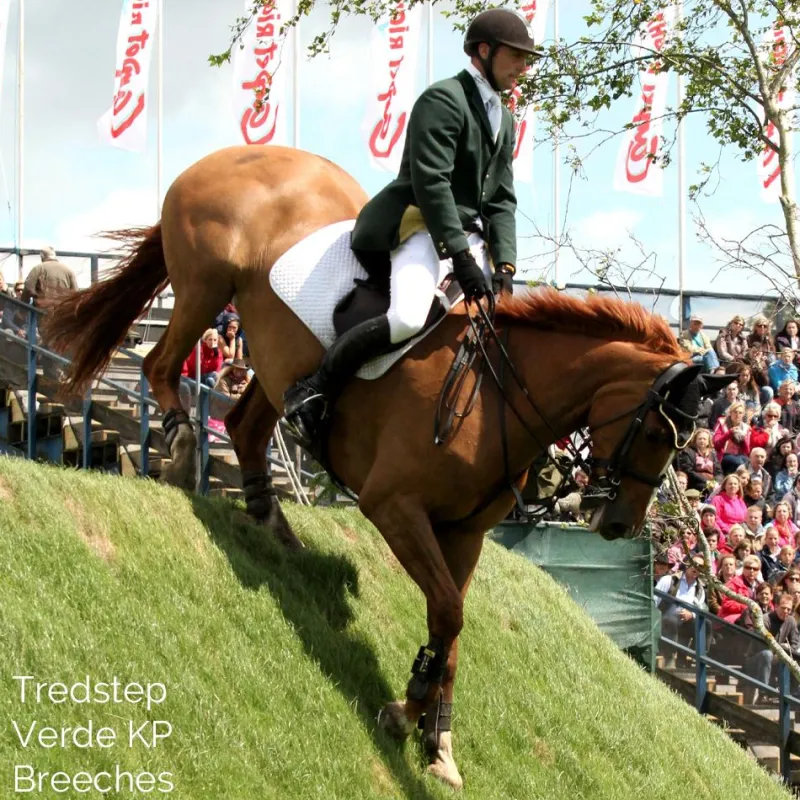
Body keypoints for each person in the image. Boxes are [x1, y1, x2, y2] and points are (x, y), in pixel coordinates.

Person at [282, 9, 541, 448]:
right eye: (517, 56)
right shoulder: (443, 100)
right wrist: (459, 255)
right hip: (420, 224)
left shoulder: (506, 118)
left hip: (472, 237)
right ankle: (314, 391)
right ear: (485, 50)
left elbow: (501, 199)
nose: (524, 67)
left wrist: (508, 268)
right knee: (407, 317)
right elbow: (432, 183)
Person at [742, 590, 800, 705]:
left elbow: (795, 644)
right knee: (767, 654)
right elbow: (762, 645)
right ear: (776, 606)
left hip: (777, 658)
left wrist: (787, 649)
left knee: (793, 658)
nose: (786, 611)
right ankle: (763, 693)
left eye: (789, 609)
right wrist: (782, 648)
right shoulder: (765, 619)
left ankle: (793, 695)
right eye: (783, 608)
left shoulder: (791, 621)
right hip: (755, 659)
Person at [655, 555, 707, 669]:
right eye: (695, 564)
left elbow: (699, 608)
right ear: (687, 564)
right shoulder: (669, 580)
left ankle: (700, 659)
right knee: (671, 621)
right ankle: (669, 659)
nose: (697, 568)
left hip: (686, 622)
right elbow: (654, 602)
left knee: (706, 624)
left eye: (701, 567)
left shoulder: (700, 588)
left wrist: (691, 614)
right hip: (665, 620)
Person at [677, 428, 720, 494]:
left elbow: (719, 472)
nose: (702, 441)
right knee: (705, 488)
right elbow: (688, 470)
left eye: (704, 439)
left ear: (708, 441)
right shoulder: (688, 452)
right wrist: (706, 481)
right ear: (695, 440)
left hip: (712, 483)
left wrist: (717, 482)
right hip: (696, 482)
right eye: (700, 439)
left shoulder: (713, 454)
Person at [713, 401, 751, 472]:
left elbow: (746, 450)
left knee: (746, 463)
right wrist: (729, 433)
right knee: (738, 463)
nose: (737, 415)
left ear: (743, 415)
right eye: (735, 412)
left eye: (740, 413)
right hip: (724, 455)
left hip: (740, 457)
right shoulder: (722, 423)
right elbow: (716, 445)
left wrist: (743, 438)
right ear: (730, 413)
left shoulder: (746, 428)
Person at [746, 315, 775, 399]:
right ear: (755, 327)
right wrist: (757, 357)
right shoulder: (749, 338)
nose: (762, 327)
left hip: (767, 367)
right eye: (760, 325)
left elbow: (773, 354)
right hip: (755, 367)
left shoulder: (769, 340)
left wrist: (767, 358)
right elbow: (747, 353)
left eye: (765, 326)